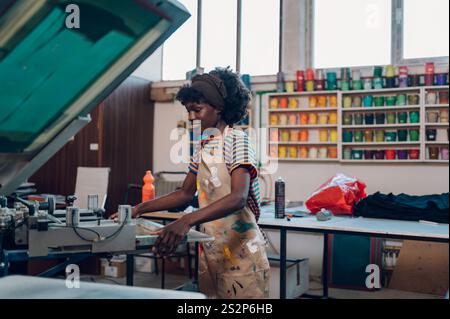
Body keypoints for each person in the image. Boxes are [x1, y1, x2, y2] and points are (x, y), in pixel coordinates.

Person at [112, 67, 269, 298]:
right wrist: (138, 209)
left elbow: (238, 197)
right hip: (213, 251)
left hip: (242, 256)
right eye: (188, 111)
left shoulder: (237, 141)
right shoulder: (204, 146)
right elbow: (184, 193)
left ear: (219, 107)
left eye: (197, 109)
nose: (191, 117)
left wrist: (186, 220)